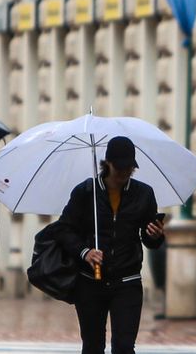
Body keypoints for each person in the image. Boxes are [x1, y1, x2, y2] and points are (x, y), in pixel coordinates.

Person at [55, 136, 166, 354]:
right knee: (93, 346)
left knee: (124, 347)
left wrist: (154, 235)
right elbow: (64, 230)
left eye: (130, 167)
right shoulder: (86, 192)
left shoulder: (143, 194)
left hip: (127, 281)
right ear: (107, 164)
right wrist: (85, 252)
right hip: (90, 282)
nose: (125, 173)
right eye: (120, 167)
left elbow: (148, 239)